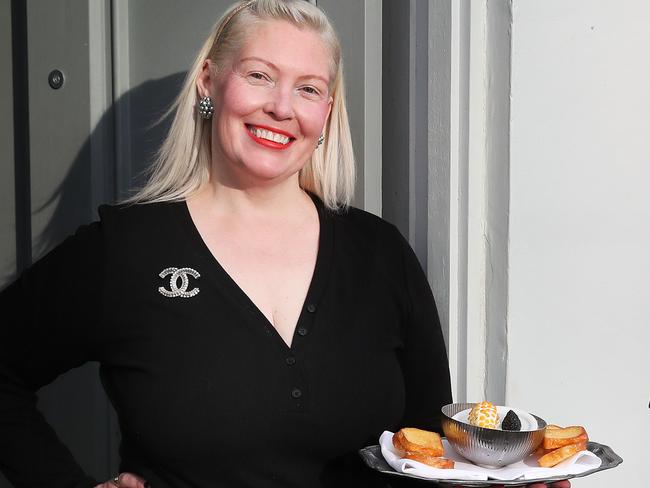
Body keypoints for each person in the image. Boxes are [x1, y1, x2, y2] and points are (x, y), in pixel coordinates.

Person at [0, 1, 567, 488]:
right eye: (258, 76)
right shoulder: (125, 251)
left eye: (308, 88)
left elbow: (428, 453)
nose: (282, 107)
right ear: (208, 82)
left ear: (326, 114)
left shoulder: (381, 256)